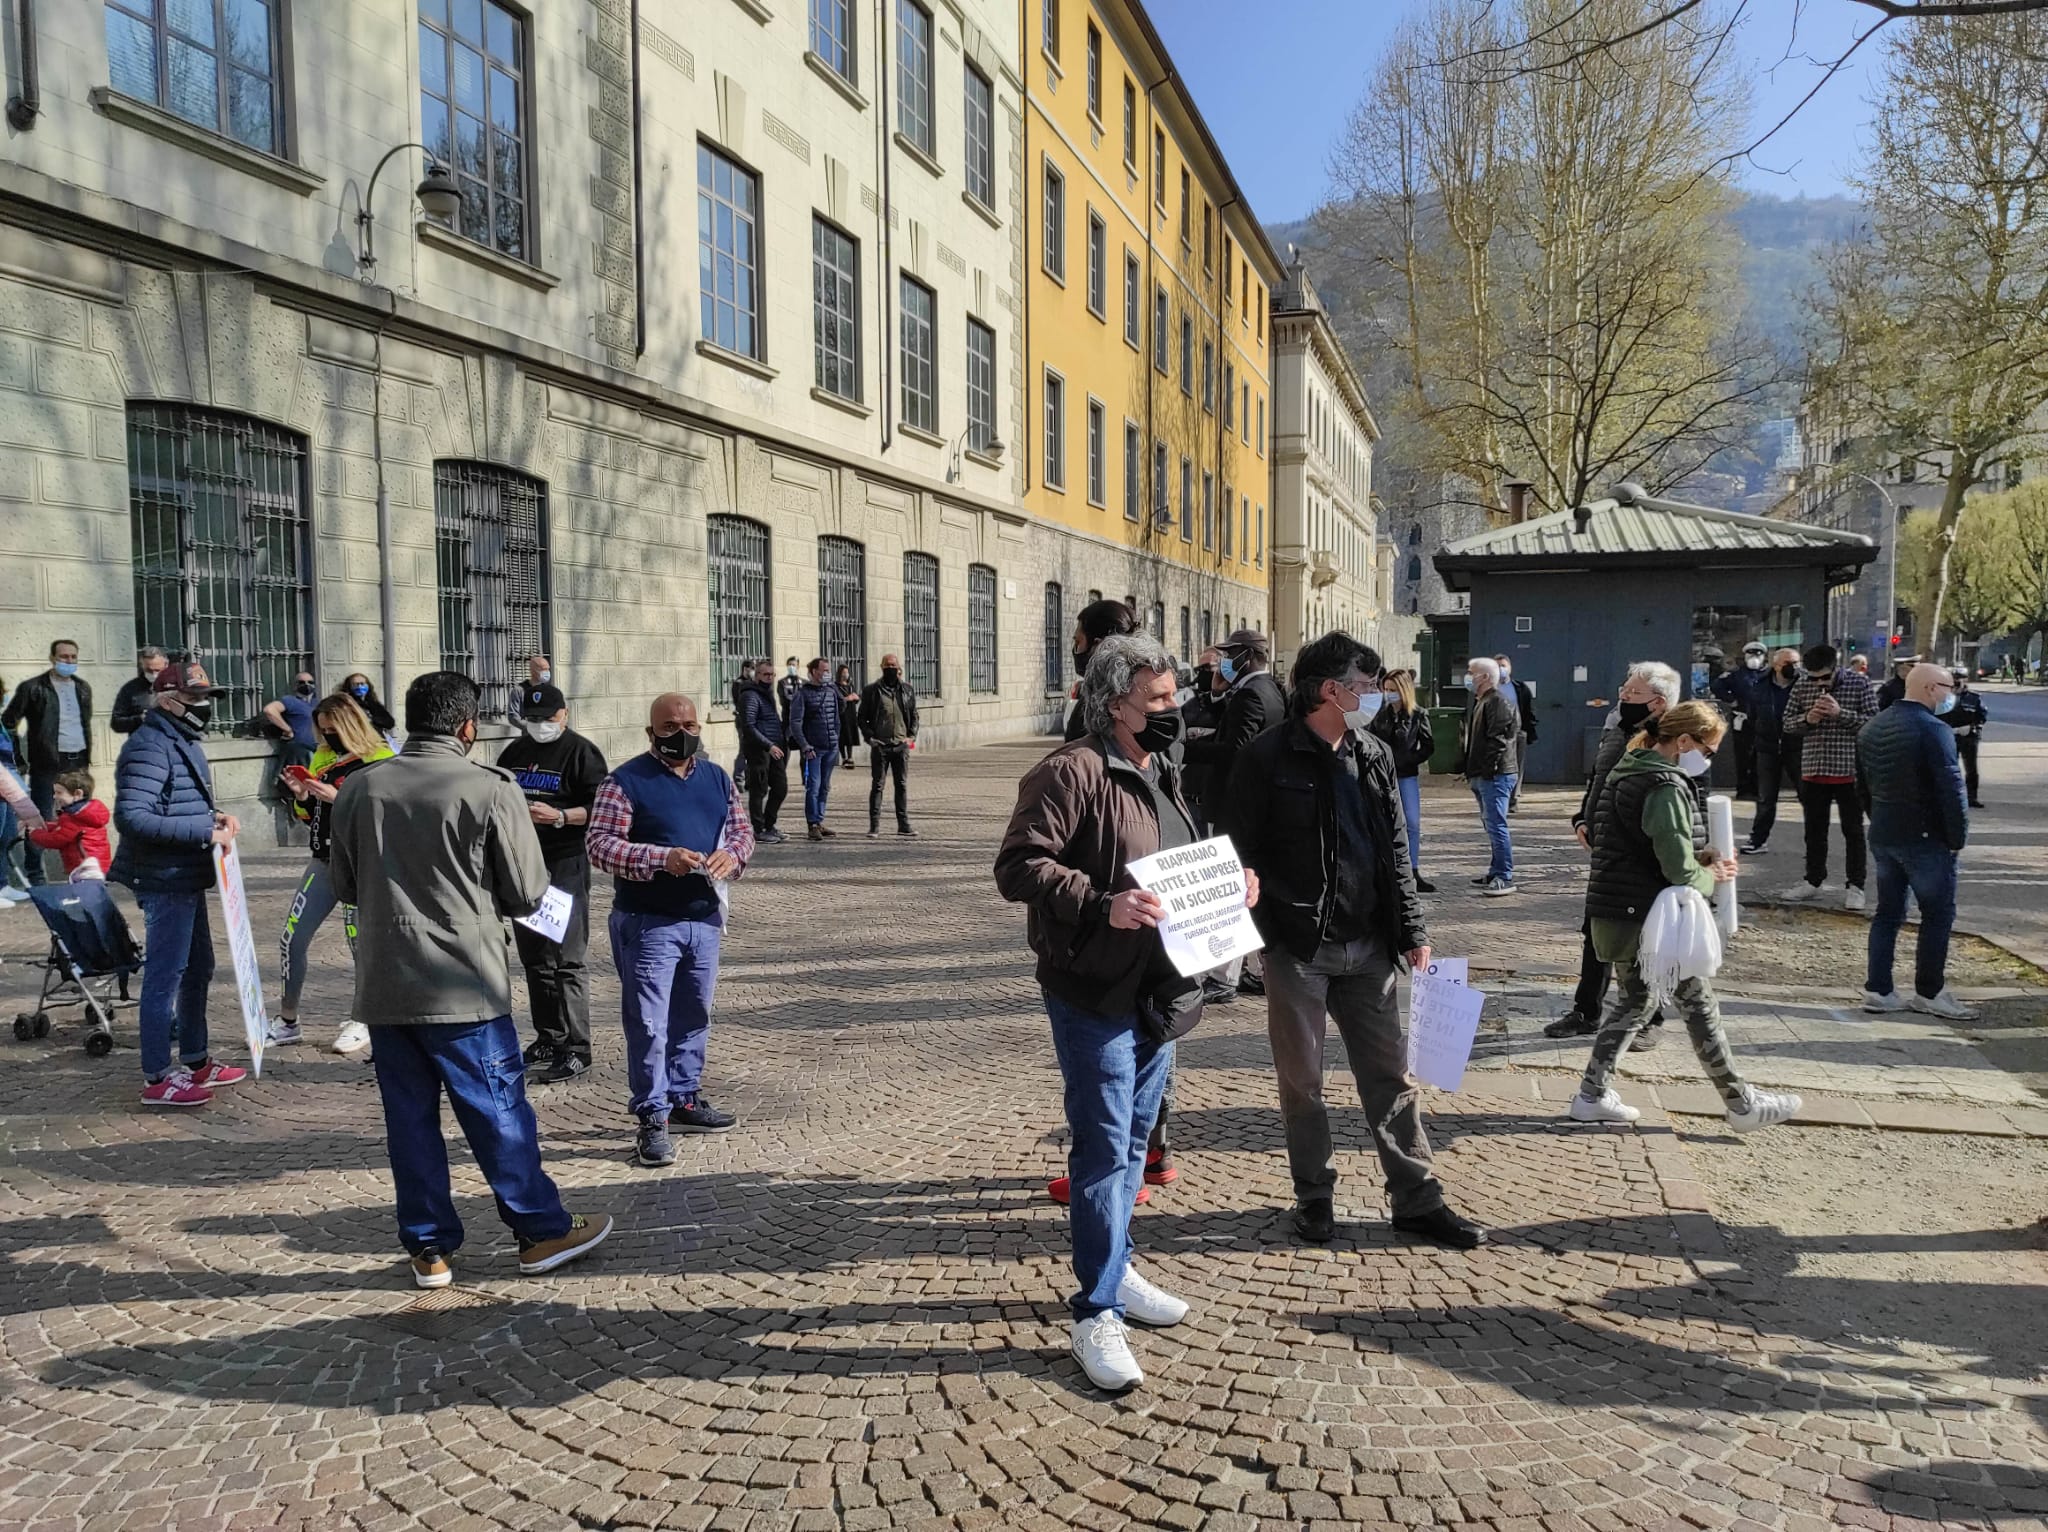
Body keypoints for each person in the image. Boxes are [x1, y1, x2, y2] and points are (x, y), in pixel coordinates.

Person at [994, 632, 1224, 1392]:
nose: (1174, 710)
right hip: (1093, 991)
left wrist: (1228, 888)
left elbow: (1176, 854)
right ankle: (1095, 1311)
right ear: (1112, 700)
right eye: (1158, 700)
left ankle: (1116, 1269)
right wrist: (1101, 902)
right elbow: (1020, 866)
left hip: (1160, 993)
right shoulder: (1070, 770)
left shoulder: (1161, 765)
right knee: (1101, 1151)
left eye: (1174, 696)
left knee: (1132, 1146)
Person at [330, 670, 611, 1288]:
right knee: (498, 1112)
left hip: (384, 983)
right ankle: (540, 1230)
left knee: (409, 1121)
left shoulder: (359, 788)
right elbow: (526, 890)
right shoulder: (490, 788)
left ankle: (429, 1248)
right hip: (463, 982)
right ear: (466, 727)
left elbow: (345, 884)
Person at [1232, 632, 1485, 1253]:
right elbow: (1237, 852)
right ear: (1330, 691)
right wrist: (1258, 933)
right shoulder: (1267, 756)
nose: (1374, 695)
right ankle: (1314, 1197)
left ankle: (1418, 1200)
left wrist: (1413, 931)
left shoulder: (1373, 752)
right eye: (1365, 686)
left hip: (1371, 947)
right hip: (1298, 946)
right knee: (1303, 1083)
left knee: (1391, 1077)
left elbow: (1397, 850)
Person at [1564, 701, 1800, 1132]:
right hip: (1650, 920)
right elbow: (1676, 866)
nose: (1706, 760)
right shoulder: (1664, 785)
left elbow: (1640, 845)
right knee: (1696, 1003)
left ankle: (1592, 1094)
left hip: (1621, 911)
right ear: (1684, 741)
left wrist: (1698, 858)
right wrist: (1709, 875)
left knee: (1638, 1003)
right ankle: (1741, 1102)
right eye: (1708, 751)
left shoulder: (1628, 770)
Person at [586, 693, 750, 1168]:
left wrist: (732, 856)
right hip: (648, 920)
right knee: (649, 1024)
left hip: (703, 917)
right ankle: (651, 1115)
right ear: (651, 731)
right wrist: (662, 859)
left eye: (690, 723)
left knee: (694, 1015)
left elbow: (741, 831)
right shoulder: (625, 782)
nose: (682, 733)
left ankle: (684, 1096)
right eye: (670, 725)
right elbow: (600, 846)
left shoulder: (717, 777)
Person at [110, 660, 248, 1108]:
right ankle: (158, 1074)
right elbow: (133, 817)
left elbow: (173, 803)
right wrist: (205, 833)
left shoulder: (179, 738)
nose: (203, 707)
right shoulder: (149, 745)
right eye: (194, 699)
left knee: (199, 968)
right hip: (164, 877)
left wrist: (213, 815)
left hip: (186, 875)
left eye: (206, 698)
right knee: (165, 976)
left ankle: (196, 1058)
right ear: (168, 700)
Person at [1551, 662, 1681, 1045]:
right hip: (1607, 848)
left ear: (1657, 703)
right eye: (1624, 689)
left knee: (1644, 938)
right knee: (1596, 931)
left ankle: (1649, 1019)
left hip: (1641, 853)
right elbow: (1598, 779)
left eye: (1633, 694)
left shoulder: (1671, 740)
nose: (1623, 697)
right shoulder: (1615, 729)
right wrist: (1582, 818)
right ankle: (1586, 1010)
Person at [497, 682, 608, 1082]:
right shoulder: (515, 751)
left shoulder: (581, 752)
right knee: (534, 957)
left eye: (548, 718)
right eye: (533, 718)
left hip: (564, 862)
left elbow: (602, 806)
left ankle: (578, 1045)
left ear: (564, 715)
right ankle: (549, 1035)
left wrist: (561, 817)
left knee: (566, 958)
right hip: (524, 862)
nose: (541, 725)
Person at [272, 693, 394, 1055]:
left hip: (363, 865)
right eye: (323, 731)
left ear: (351, 725)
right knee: (291, 937)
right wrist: (303, 795)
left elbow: (385, 816)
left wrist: (337, 798)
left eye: (334, 730)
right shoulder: (324, 755)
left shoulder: (381, 760)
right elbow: (311, 816)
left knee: (362, 945)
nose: (328, 737)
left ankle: (364, 1018)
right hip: (324, 859)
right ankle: (287, 1019)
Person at [1859, 664, 1974, 1020]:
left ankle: (1879, 989)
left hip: (1885, 833)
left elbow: (1862, 785)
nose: (1950, 694)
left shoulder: (1872, 727)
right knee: (1937, 915)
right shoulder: (1935, 729)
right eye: (1947, 687)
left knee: (1887, 914)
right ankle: (1930, 991)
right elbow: (1952, 788)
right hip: (1926, 837)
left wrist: (1877, 819)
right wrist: (1957, 837)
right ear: (1929, 688)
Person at [1780, 643, 1877, 910]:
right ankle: (1812, 880)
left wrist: (1840, 713)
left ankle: (1856, 885)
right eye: (1814, 678)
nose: (1819, 683)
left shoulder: (1859, 684)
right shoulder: (1802, 685)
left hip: (1849, 769)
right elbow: (1787, 723)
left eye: (1824, 677)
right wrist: (1808, 718)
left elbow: (1873, 723)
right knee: (1814, 830)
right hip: (1814, 768)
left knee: (1853, 830)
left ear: (1836, 669)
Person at [5, 639, 94, 885]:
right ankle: (36, 875)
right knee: (41, 818)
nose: (69, 661)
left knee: (79, 818)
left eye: (73, 657)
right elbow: (8, 721)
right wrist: (17, 759)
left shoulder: (82, 688)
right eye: (64, 656)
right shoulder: (34, 688)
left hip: (77, 763)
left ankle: (81, 871)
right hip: (47, 765)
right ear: (52, 658)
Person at [1367, 669, 1435, 892]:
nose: (1389, 694)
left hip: (1406, 775)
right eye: (1386, 690)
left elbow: (1428, 746)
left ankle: (1412, 870)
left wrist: (1409, 760)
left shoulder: (1418, 715)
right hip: (1382, 774)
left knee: (1412, 824)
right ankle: (1385, 870)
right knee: (1384, 821)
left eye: (1393, 691)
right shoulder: (1379, 714)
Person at [1458, 657, 1520, 895]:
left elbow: (1499, 740)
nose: (1468, 676)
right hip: (1483, 774)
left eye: (1471, 672)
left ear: (1484, 677)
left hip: (1495, 775)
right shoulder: (1483, 701)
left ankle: (1504, 875)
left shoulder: (1497, 702)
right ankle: (1496, 870)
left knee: (1497, 825)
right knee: (1491, 824)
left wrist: (1488, 770)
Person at [1740, 649, 1802, 855]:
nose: (1793, 666)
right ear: (1776, 665)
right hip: (1767, 747)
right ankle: (1758, 840)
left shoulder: (1804, 685)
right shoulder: (1760, 685)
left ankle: (1815, 840)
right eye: (1789, 662)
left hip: (1797, 746)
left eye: (1796, 662)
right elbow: (1752, 715)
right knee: (1766, 798)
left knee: (1808, 794)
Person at [857, 655, 920, 838]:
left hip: (901, 745)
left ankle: (903, 825)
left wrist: (911, 737)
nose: (890, 668)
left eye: (893, 665)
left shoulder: (907, 690)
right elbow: (862, 717)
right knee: (878, 785)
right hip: (881, 746)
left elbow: (914, 715)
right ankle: (874, 826)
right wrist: (870, 738)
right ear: (881, 667)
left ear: (899, 667)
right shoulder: (871, 691)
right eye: (887, 665)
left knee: (901, 785)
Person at [1064, 600, 1141, 741]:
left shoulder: (1096, 707)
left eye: (1078, 642)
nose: (1075, 650)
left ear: (1099, 646)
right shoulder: (1145, 694)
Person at [787, 657, 843, 841]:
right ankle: (811, 824)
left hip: (831, 747)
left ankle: (819, 820)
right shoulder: (802, 694)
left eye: (828, 670)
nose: (827, 673)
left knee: (825, 786)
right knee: (814, 786)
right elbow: (795, 723)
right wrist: (804, 745)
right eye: (823, 670)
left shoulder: (831, 692)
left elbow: (836, 718)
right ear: (813, 672)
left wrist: (836, 738)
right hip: (813, 749)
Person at [736, 659, 790, 844]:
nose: (769, 678)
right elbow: (749, 726)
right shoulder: (750, 695)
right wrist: (768, 745)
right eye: (765, 674)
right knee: (758, 790)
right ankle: (758, 830)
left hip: (774, 749)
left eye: (772, 674)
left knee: (781, 787)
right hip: (759, 750)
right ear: (757, 675)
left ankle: (769, 824)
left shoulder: (767, 695)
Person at [1709, 642, 1771, 799]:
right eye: (1750, 655)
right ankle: (1744, 789)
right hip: (1742, 719)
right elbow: (1717, 686)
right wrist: (1731, 700)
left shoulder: (1769, 674)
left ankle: (1759, 789)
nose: (1754, 659)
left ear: (1763, 657)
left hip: (1765, 721)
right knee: (1743, 755)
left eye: (1757, 655)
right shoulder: (1737, 674)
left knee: (1762, 755)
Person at [1177, 649, 1226, 838]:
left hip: (1216, 804)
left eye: (1209, 668)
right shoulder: (1189, 705)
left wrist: (1218, 695)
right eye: (1200, 669)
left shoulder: (1230, 706)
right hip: (1188, 798)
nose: (1203, 673)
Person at [28, 770, 111, 879]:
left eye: (59, 793)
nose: (54, 797)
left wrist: (35, 833)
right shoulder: (85, 813)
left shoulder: (75, 818)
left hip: (84, 866)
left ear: (78, 794)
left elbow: (56, 839)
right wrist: (46, 826)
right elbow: (63, 828)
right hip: (95, 864)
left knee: (82, 893)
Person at [1493, 654, 1536, 812]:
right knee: (1497, 767)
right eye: (1497, 666)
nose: (1501, 669)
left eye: (1503, 665)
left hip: (1517, 733)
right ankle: (1498, 799)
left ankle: (1513, 800)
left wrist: (1527, 730)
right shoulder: (1489, 689)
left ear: (1510, 668)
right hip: (1496, 734)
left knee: (1516, 766)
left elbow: (1529, 710)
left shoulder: (1520, 688)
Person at [1946, 668, 1986, 808]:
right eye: (1955, 678)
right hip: (1949, 736)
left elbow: (1982, 717)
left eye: (1961, 678)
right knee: (1950, 768)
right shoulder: (1944, 697)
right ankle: (1952, 796)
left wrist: (1972, 727)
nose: (1957, 681)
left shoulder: (1974, 698)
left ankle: (1972, 797)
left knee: (1971, 769)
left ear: (1966, 679)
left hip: (1968, 736)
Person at [111, 647, 169, 736]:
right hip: (143, 743)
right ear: (142, 666)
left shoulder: (177, 686)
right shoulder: (130, 689)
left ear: (166, 666)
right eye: (149, 670)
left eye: (158, 670)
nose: (154, 674)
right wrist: (140, 719)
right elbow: (116, 723)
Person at [338, 673, 399, 739]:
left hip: (377, 740)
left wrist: (371, 719)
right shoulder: (345, 703)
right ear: (349, 687)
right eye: (355, 684)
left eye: (362, 683)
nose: (359, 686)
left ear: (368, 685)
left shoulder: (373, 703)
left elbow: (389, 722)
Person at [836, 664, 861, 768]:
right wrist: (847, 698)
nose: (846, 674)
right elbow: (836, 699)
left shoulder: (850, 685)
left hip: (851, 713)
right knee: (842, 736)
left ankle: (850, 757)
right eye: (844, 672)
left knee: (850, 735)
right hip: (842, 714)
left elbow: (855, 698)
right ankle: (844, 757)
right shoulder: (836, 686)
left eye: (847, 672)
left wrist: (856, 697)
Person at [776, 656, 802, 729]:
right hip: (788, 717)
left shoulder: (804, 683)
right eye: (789, 665)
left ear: (798, 666)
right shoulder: (782, 682)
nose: (791, 667)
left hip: (801, 718)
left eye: (793, 665)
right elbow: (783, 700)